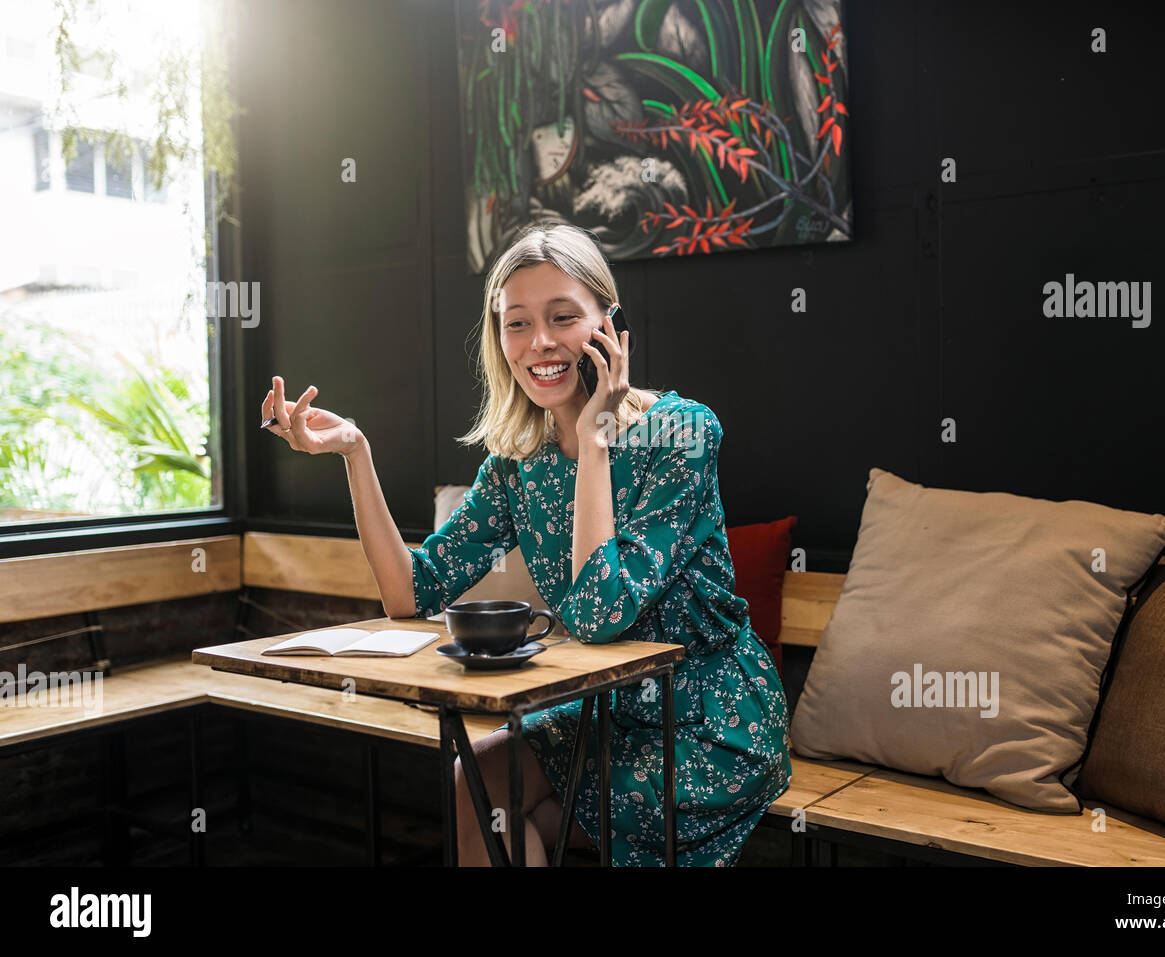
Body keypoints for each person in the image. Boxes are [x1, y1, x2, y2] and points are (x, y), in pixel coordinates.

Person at [260, 222, 792, 866]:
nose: (539, 342)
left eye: (563, 316)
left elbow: (597, 617)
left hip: (708, 721)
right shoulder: (518, 464)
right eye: (516, 323)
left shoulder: (679, 433)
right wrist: (355, 452)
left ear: (609, 323)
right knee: (476, 782)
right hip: (601, 714)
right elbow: (409, 593)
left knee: (557, 808)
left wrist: (596, 436)